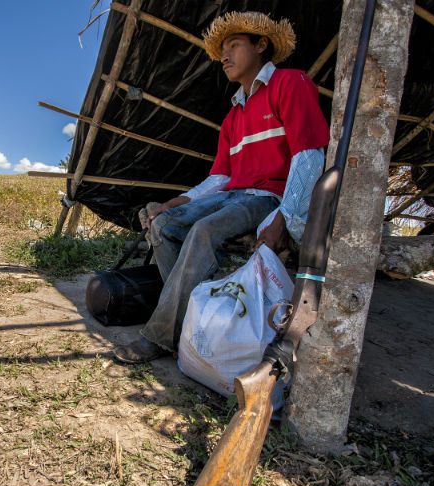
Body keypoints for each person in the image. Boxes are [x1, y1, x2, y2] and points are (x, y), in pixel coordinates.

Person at [114, 11, 330, 363]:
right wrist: (176, 202)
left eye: (234, 45)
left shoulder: (290, 83)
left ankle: (160, 336)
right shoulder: (233, 115)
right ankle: (193, 317)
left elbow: (308, 157)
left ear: (261, 45)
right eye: (222, 50)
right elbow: (220, 178)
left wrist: (284, 216)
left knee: (204, 229)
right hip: (233, 194)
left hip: (266, 197)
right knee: (164, 225)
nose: (224, 56)